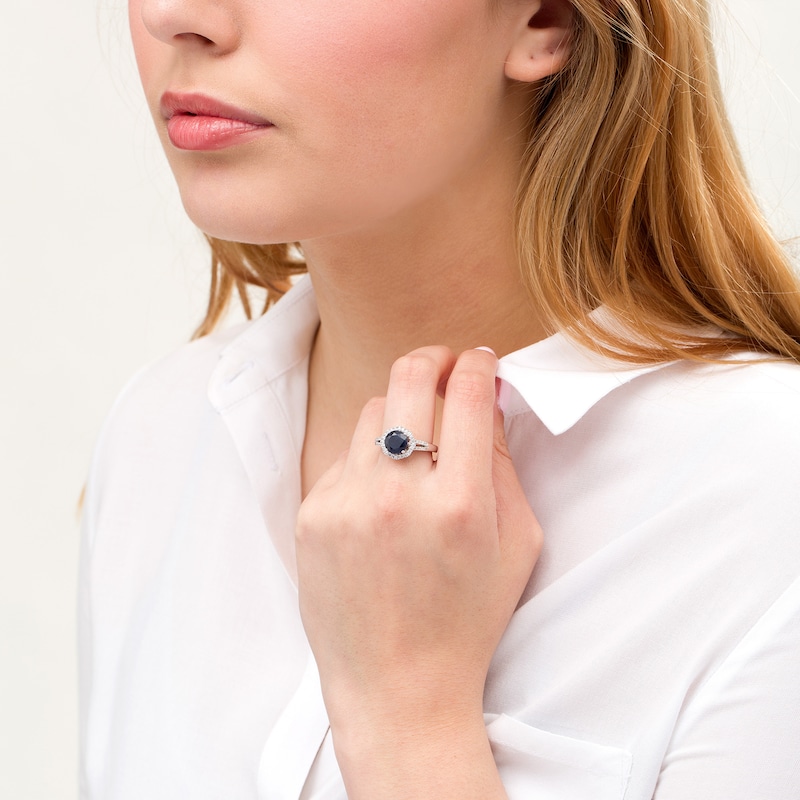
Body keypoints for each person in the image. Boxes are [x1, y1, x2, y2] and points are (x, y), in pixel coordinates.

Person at [79, 0, 800, 797]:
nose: (174, 15)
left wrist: (409, 725)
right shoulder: (162, 432)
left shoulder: (769, 503)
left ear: (546, 21)